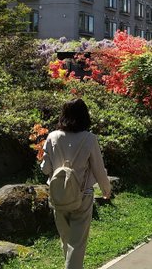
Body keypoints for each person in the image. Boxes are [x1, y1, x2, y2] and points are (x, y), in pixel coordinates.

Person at [41, 98, 112, 269]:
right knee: (77, 244)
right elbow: (98, 169)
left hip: (58, 196)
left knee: (66, 241)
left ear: (63, 115)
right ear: (85, 116)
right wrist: (106, 190)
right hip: (83, 196)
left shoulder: (52, 136)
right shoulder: (89, 139)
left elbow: (45, 169)